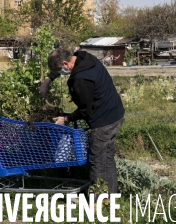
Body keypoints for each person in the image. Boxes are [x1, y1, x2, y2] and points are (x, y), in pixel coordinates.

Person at [39, 49, 125, 194]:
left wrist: (66, 118)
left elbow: (85, 110)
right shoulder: (83, 57)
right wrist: (48, 79)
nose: (61, 74)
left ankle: (98, 201)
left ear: (66, 63)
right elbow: (61, 65)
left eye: (61, 71)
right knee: (107, 158)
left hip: (104, 121)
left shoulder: (81, 79)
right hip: (115, 113)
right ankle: (110, 196)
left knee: (97, 159)